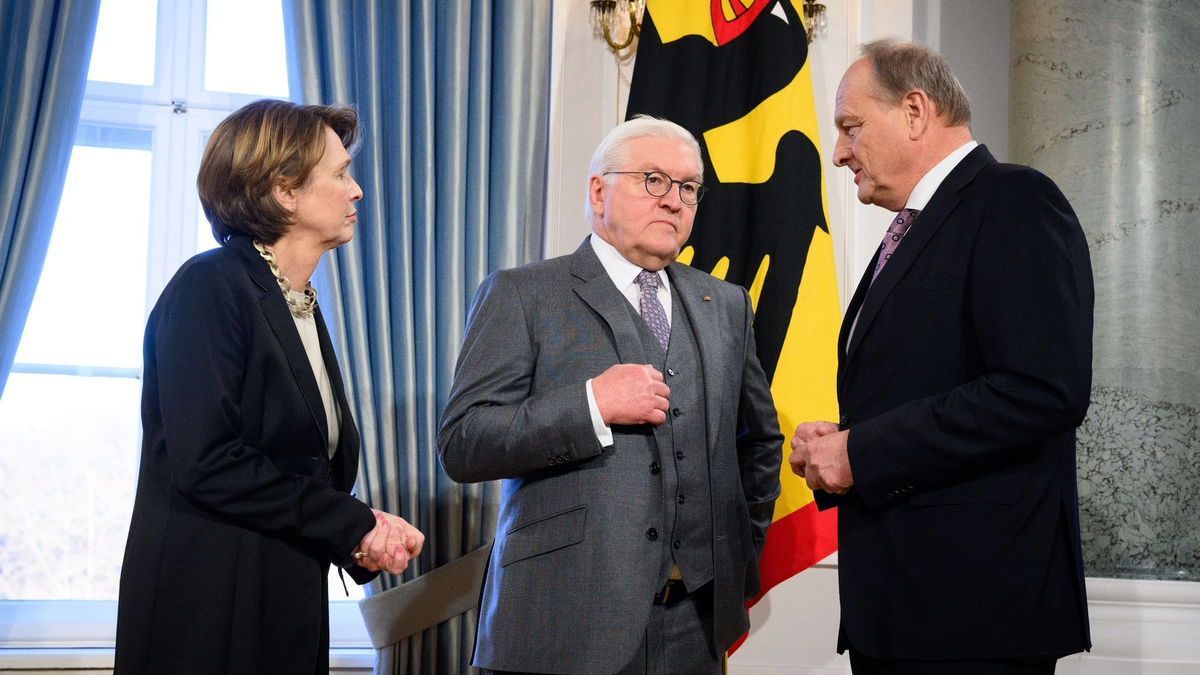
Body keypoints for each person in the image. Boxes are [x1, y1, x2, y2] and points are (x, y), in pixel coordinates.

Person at [790, 39, 1094, 674]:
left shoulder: (1015, 202)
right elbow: (930, 384)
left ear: (914, 110)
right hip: (901, 608)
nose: (841, 153)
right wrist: (844, 442)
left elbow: (1040, 390)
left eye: (850, 127)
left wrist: (862, 453)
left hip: (975, 616)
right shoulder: (917, 224)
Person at [438, 116, 782, 674]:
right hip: (559, 629)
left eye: (689, 188)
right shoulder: (522, 293)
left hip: (695, 631)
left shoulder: (727, 304)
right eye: (653, 180)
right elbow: (463, 443)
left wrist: (733, 556)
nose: (674, 201)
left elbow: (760, 444)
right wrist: (590, 405)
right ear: (599, 190)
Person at [114, 99, 424, 675]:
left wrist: (363, 535)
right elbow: (208, 461)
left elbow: (298, 469)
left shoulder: (297, 304)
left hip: (283, 603)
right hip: (210, 613)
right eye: (340, 173)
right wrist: (353, 524)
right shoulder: (209, 287)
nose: (356, 191)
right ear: (285, 192)